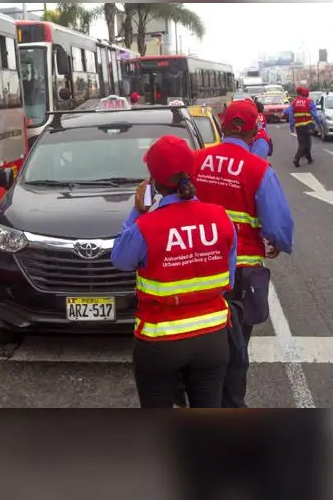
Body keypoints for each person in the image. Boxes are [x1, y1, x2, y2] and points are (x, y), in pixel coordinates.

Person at [111, 136, 237, 408]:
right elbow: (230, 277)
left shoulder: (146, 226)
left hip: (160, 340)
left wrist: (136, 211)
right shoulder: (221, 217)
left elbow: (120, 259)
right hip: (212, 337)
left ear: (153, 181)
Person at [192, 99, 295, 407]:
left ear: (222, 126)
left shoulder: (196, 160)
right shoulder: (258, 169)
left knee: (201, 340)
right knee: (236, 346)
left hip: (196, 266)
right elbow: (278, 225)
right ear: (254, 132)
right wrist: (279, 242)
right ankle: (231, 403)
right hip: (240, 272)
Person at [285, 86, 321, 167]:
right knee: (305, 143)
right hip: (307, 125)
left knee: (303, 143)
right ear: (307, 94)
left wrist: (291, 125)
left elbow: (290, 114)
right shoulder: (309, 102)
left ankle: (309, 158)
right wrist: (319, 123)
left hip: (299, 126)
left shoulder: (294, 102)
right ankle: (296, 159)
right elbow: (314, 114)